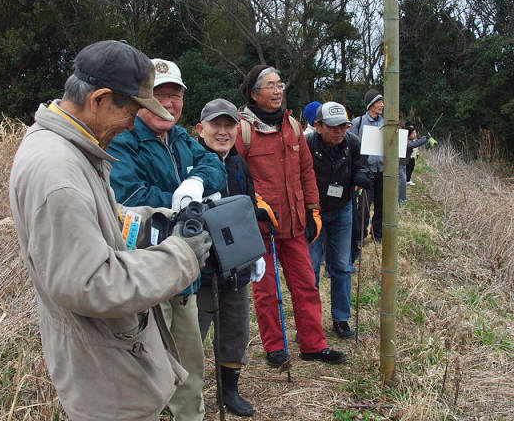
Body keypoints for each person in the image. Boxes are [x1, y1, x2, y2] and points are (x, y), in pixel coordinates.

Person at [8, 40, 213, 421]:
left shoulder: (74, 149)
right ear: (100, 99)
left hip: (114, 356)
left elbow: (100, 217)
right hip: (106, 378)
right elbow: (91, 282)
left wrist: (155, 219)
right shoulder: (57, 172)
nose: (134, 123)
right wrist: (181, 256)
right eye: (132, 111)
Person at [107, 59, 226, 421]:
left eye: (174, 95)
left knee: (190, 365)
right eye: (159, 94)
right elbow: (130, 196)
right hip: (146, 273)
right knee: (145, 371)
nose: (169, 103)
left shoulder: (180, 139)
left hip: (186, 273)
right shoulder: (123, 142)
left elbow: (216, 166)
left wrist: (197, 184)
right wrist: (184, 201)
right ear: (141, 99)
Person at [235, 64, 345, 367]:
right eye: (270, 85)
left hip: (296, 223)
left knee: (306, 283)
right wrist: (253, 204)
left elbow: (306, 171)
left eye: (280, 84)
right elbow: (235, 177)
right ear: (254, 93)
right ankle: (275, 347)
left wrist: (313, 210)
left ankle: (313, 344)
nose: (277, 90)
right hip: (261, 226)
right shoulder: (242, 130)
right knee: (266, 289)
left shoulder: (293, 126)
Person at [195, 98, 269, 417]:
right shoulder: (191, 163)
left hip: (236, 267)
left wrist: (254, 252)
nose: (223, 132)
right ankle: (186, 395)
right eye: (216, 125)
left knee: (235, 331)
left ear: (238, 129)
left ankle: (229, 391)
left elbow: (249, 208)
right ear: (201, 129)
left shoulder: (239, 164)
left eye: (229, 125)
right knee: (192, 335)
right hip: (200, 271)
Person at [305, 102, 372, 339]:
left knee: (343, 266)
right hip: (313, 211)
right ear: (319, 126)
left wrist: (362, 177)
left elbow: (360, 166)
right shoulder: (307, 144)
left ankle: (341, 319)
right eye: (333, 127)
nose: (339, 131)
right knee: (310, 268)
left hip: (343, 209)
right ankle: (309, 323)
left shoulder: (353, 142)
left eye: (343, 126)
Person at [349, 89, 384, 243]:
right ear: (371, 105)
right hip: (366, 171)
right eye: (379, 102)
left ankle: (377, 234)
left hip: (382, 170)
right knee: (363, 206)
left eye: (382, 102)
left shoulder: (386, 123)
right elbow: (351, 145)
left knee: (381, 204)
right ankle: (360, 235)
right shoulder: (358, 122)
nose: (382, 105)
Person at [399, 125, 429, 203]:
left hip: (402, 163)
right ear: (409, 134)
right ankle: (402, 198)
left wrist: (424, 138)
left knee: (402, 179)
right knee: (402, 180)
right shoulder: (405, 141)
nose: (415, 134)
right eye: (413, 133)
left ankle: (401, 197)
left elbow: (415, 142)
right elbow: (414, 144)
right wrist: (426, 138)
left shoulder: (407, 140)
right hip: (398, 163)